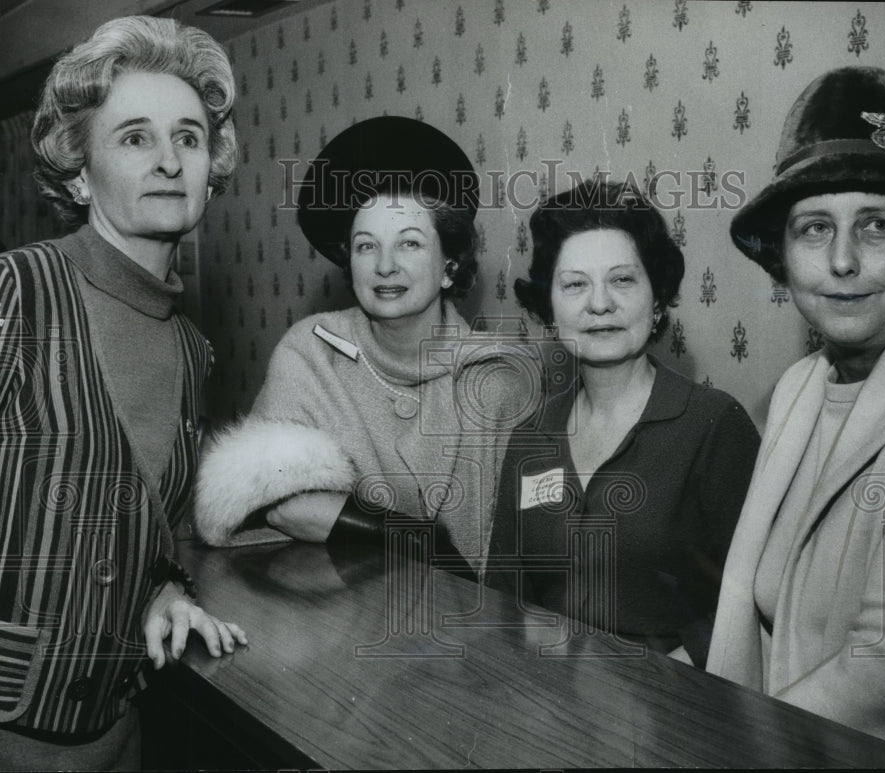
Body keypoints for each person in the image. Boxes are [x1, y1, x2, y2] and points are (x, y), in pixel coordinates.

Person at [706, 66, 885, 765]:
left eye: (877, 225)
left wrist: (704, 747)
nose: (841, 260)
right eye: (814, 228)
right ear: (784, 254)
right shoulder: (799, 390)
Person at [0, 15, 247, 769]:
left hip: (120, 731)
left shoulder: (192, 347)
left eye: (189, 138)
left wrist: (162, 591)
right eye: (136, 137)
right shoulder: (15, 290)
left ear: (212, 168)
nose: (169, 160)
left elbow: (147, 524)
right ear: (79, 170)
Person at [195, 116, 535, 576]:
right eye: (365, 246)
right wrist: (406, 535)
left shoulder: (499, 376)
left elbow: (530, 548)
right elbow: (265, 498)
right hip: (349, 609)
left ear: (449, 267)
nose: (385, 266)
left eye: (410, 243)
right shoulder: (312, 352)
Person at [484, 181, 760, 667]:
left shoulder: (713, 423)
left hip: (676, 700)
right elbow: (504, 595)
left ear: (657, 301)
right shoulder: (531, 435)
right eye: (574, 284)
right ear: (550, 309)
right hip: (546, 691)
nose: (600, 304)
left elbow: (754, 598)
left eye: (623, 280)